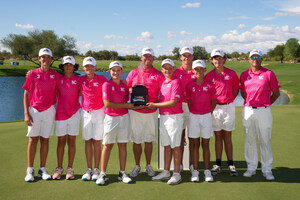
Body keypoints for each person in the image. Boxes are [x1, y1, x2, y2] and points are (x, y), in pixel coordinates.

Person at [96, 61, 144, 185]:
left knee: (122, 145)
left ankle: (122, 172)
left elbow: (136, 94)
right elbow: (107, 104)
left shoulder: (124, 86)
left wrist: (141, 105)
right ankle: (102, 173)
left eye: (118, 70)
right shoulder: (106, 84)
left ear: (122, 72)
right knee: (107, 145)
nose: (116, 72)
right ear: (109, 71)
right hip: (111, 118)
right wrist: (127, 105)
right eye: (113, 70)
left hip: (124, 117)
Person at [240, 49, 280, 180]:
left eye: (258, 57)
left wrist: (266, 103)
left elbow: (276, 93)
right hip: (248, 110)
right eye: (253, 57)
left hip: (264, 110)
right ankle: (251, 168)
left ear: (262, 59)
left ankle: (267, 169)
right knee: (249, 140)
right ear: (249, 60)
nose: (255, 59)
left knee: (265, 140)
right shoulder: (244, 74)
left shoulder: (269, 74)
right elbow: (243, 93)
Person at [127, 48, 165, 177]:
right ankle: (137, 166)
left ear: (153, 58)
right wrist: (137, 93)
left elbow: (163, 94)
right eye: (145, 56)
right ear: (141, 58)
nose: (147, 58)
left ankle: (148, 165)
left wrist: (154, 103)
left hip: (151, 111)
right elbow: (126, 90)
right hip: (135, 111)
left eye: (150, 56)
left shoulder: (159, 75)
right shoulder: (133, 73)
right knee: (137, 140)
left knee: (149, 140)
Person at [23, 48, 60, 182]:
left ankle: (42, 169)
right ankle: (30, 170)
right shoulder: (32, 74)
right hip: (34, 110)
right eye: (43, 57)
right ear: (39, 59)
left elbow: (68, 81)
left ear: (51, 59)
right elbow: (26, 94)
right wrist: (26, 113)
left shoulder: (55, 75)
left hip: (49, 110)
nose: (45, 59)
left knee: (45, 139)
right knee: (33, 139)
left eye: (48, 57)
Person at [148, 59, 183, 185]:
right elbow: (162, 98)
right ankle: (166, 171)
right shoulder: (162, 82)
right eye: (165, 68)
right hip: (163, 116)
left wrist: (154, 104)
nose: (167, 70)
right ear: (162, 69)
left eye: (170, 68)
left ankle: (177, 173)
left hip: (174, 117)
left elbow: (173, 102)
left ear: (174, 69)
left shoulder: (176, 82)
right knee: (167, 145)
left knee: (176, 146)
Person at [205, 49, 239, 176]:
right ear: (211, 61)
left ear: (224, 59)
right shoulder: (208, 76)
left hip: (228, 107)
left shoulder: (232, 74)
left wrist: (227, 101)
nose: (217, 61)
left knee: (228, 136)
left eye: (220, 58)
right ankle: (218, 164)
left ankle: (231, 164)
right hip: (215, 108)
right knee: (218, 137)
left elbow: (236, 90)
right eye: (215, 58)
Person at [185, 60, 216, 182]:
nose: (198, 71)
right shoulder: (189, 85)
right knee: (195, 145)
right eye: (196, 69)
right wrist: (195, 111)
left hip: (206, 117)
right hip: (194, 116)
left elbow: (213, 101)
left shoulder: (210, 85)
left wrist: (207, 112)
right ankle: (196, 171)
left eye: (201, 69)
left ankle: (207, 171)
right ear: (193, 71)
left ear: (205, 70)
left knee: (206, 144)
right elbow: (188, 101)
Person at [52, 56, 81, 180]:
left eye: (70, 65)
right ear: (62, 67)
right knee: (61, 142)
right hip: (60, 114)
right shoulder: (57, 79)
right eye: (66, 65)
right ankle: (59, 168)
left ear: (74, 67)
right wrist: (30, 73)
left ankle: (70, 168)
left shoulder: (79, 80)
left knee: (72, 142)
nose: (68, 67)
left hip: (74, 114)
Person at [80, 57, 108, 181]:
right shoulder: (80, 80)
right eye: (87, 66)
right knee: (87, 140)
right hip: (85, 112)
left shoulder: (102, 79)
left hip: (99, 112)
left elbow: (113, 84)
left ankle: (96, 169)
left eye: (91, 66)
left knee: (96, 141)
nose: (89, 68)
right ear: (83, 68)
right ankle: (89, 169)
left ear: (95, 67)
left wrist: (123, 82)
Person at [173, 47, 195, 173]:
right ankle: (179, 165)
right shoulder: (176, 72)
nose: (186, 58)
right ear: (180, 57)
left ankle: (192, 165)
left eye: (189, 55)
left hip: (194, 107)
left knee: (192, 137)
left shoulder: (197, 71)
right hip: (180, 107)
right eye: (184, 56)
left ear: (192, 57)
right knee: (180, 137)